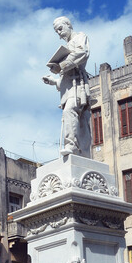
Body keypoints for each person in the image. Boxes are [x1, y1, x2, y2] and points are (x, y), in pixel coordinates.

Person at [42, 16, 91, 158]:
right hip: (69, 88)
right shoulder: (68, 45)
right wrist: (53, 81)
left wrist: (61, 65)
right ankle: (84, 153)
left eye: (60, 29)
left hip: (78, 87)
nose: (59, 33)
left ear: (68, 25)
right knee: (81, 124)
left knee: (70, 111)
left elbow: (83, 53)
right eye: (56, 31)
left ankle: (71, 145)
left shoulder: (80, 37)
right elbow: (65, 80)